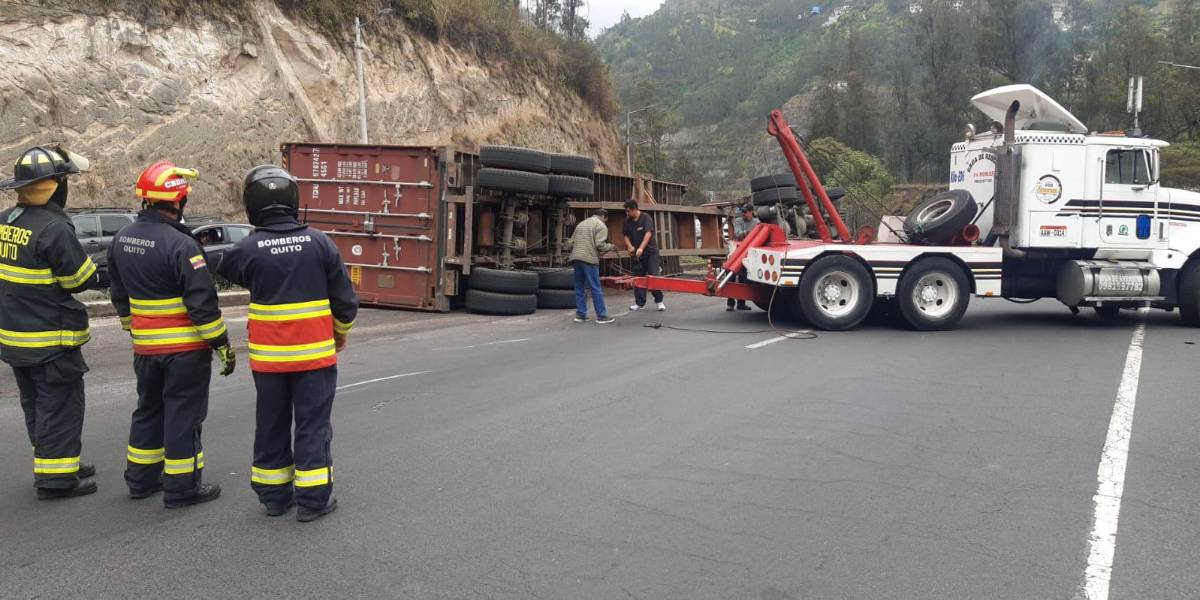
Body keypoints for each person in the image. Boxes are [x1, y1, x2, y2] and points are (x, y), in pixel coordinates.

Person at [216, 165, 358, 522]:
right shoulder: (320, 243)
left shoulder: (246, 249)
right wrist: (339, 332)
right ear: (293, 200)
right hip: (315, 359)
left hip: (269, 362)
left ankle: (274, 497)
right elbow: (346, 303)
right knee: (312, 426)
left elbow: (226, 269)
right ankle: (313, 502)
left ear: (252, 204)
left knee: (271, 424)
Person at [108, 161, 234, 508]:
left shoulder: (123, 237)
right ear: (178, 199)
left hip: (146, 349)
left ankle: (140, 480)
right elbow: (202, 304)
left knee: (148, 410)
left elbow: (118, 293)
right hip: (184, 351)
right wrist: (220, 343)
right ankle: (182, 488)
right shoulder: (181, 244)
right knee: (183, 414)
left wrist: (131, 327)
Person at [0, 145, 100, 500]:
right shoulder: (55, 228)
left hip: (15, 338)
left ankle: (55, 461)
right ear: (56, 185)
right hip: (50, 339)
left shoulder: (6, 221)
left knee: (37, 404)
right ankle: (56, 480)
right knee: (60, 404)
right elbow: (78, 280)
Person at [565, 208, 616, 324]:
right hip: (589, 259)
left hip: (576, 258)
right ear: (605, 217)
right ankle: (602, 316)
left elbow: (570, 243)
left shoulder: (581, 224)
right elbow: (600, 245)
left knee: (579, 288)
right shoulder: (601, 225)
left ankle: (581, 315)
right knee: (595, 287)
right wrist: (611, 246)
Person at [622, 200, 665, 312]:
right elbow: (626, 236)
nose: (627, 214)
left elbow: (648, 233)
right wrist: (630, 246)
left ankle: (659, 301)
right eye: (626, 212)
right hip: (637, 255)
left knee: (653, 276)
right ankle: (640, 303)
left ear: (635, 209)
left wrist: (641, 248)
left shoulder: (646, 217)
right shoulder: (627, 221)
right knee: (638, 278)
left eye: (628, 211)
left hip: (651, 253)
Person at [727, 204, 760, 312]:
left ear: (751, 212)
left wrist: (747, 234)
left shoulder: (757, 222)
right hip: (736, 251)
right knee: (731, 276)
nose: (743, 214)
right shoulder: (738, 221)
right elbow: (738, 234)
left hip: (748, 253)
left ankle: (741, 303)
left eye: (745, 212)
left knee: (743, 277)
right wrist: (747, 233)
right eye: (743, 212)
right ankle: (730, 304)